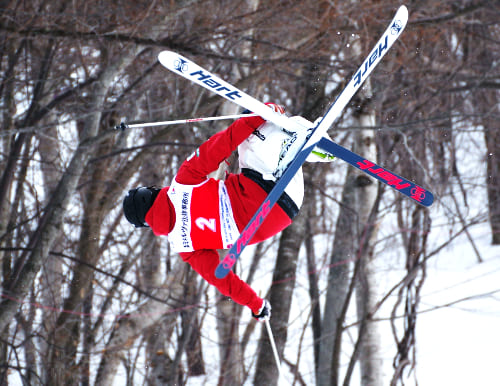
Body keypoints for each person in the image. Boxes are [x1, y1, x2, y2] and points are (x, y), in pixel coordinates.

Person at [123, 103, 332, 321]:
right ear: (150, 192)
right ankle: (314, 144)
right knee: (259, 127)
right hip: (265, 188)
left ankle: (308, 144)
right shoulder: (183, 182)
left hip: (285, 210)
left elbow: (221, 279)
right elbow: (225, 142)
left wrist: (255, 304)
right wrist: (258, 115)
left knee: (268, 137)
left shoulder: (184, 246)